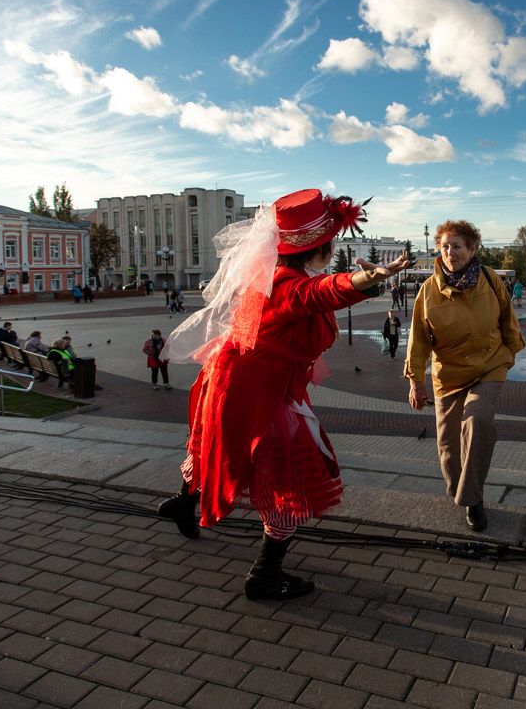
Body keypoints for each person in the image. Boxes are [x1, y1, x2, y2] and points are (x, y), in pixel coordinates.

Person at [157, 189, 410, 601]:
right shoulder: (288, 284)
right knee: (293, 481)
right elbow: (318, 295)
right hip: (261, 393)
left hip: (231, 382)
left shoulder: (271, 275)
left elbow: (316, 296)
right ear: (320, 247)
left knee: (214, 449)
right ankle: (265, 574)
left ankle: (185, 504)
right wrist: (368, 279)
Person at [405, 220, 525, 533]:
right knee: (447, 447)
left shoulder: (490, 280)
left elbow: (507, 319)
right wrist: (415, 381)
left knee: (478, 419)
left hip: (489, 365)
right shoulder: (429, 291)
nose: (450, 252)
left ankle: (474, 499)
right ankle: (463, 490)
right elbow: (418, 340)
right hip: (449, 374)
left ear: (472, 249)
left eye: (457, 246)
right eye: (445, 246)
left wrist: (510, 353)